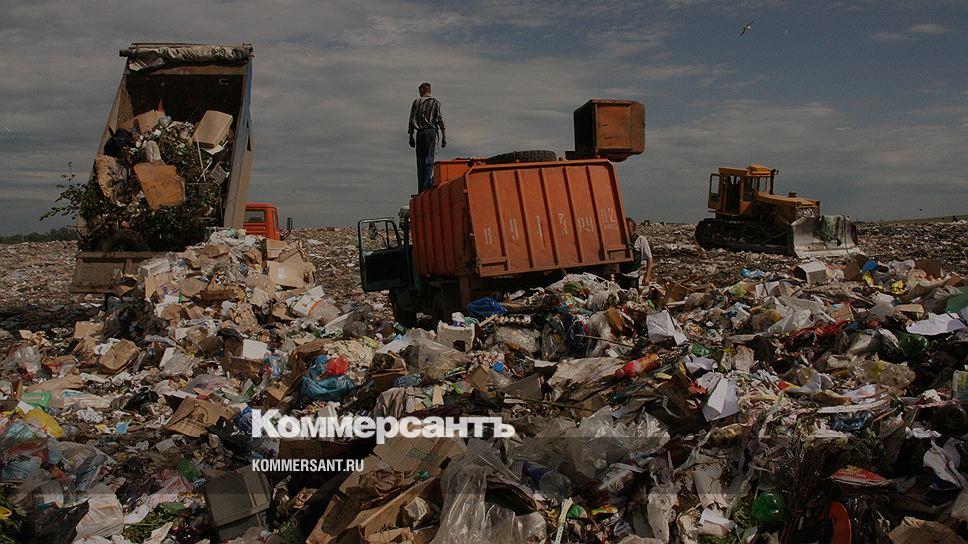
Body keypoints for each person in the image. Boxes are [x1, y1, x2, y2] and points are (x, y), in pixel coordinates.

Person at [408, 82, 446, 193]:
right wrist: (444, 136)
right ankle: (426, 186)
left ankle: (421, 188)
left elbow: (411, 119)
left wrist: (411, 135)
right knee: (430, 159)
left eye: (420, 91)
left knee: (420, 161)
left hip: (420, 133)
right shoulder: (435, 102)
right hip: (431, 132)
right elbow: (440, 120)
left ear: (423, 90)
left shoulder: (416, 102)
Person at [623, 218, 653, 288]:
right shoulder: (620, 240)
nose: (625, 228)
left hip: (633, 277)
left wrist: (647, 276)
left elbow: (649, 258)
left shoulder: (640, 239)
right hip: (620, 276)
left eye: (628, 226)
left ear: (633, 228)